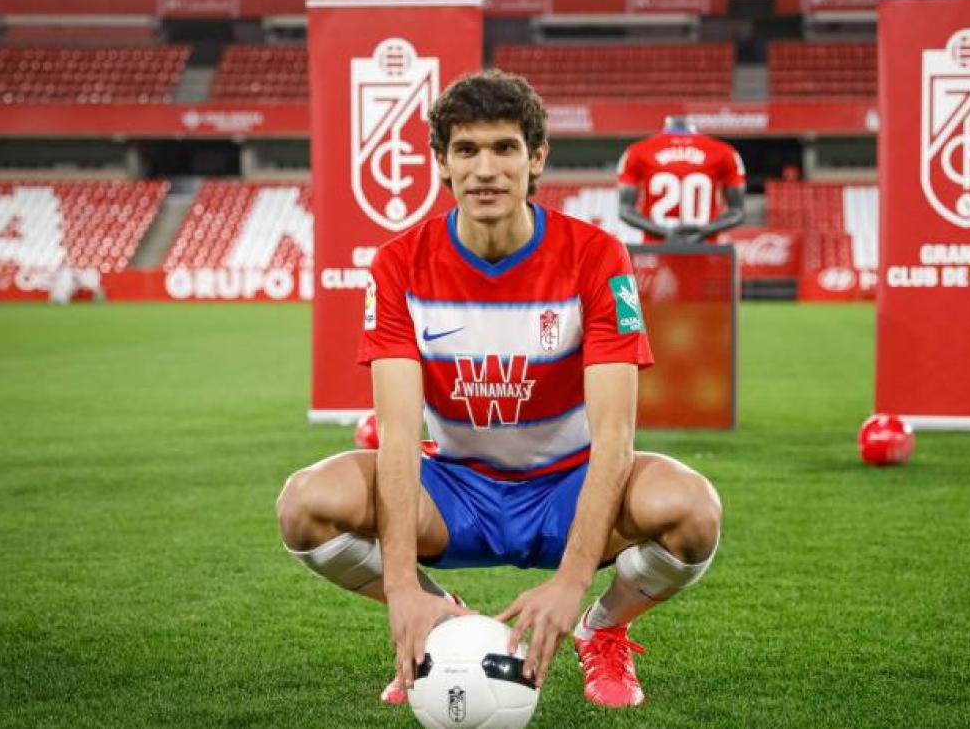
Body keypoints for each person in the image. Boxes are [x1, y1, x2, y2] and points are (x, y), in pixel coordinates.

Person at [276, 70, 722, 709]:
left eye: (504, 148)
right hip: (456, 489)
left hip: (569, 485)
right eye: (466, 150)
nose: (485, 169)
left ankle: (604, 630)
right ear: (441, 163)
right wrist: (404, 588)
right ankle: (441, 619)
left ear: (536, 156)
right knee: (305, 504)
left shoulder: (595, 256)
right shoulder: (399, 264)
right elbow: (399, 437)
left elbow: (617, 437)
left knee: (693, 511)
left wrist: (572, 584)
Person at [616, 115, 746, 244]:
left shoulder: (637, 151)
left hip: (656, 250)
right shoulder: (724, 152)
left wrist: (665, 232)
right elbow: (737, 213)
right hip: (704, 248)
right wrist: (703, 231)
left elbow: (625, 210)